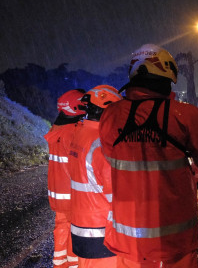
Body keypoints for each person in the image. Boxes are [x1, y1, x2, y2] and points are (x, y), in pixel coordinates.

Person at [99, 43, 198, 268]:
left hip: (130, 243)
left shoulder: (110, 116)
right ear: (166, 78)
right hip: (176, 243)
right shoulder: (186, 115)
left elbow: (111, 157)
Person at [68, 85, 122, 267]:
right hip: (102, 234)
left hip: (82, 230)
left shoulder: (80, 135)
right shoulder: (102, 143)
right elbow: (117, 194)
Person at [45, 89, 87, 268]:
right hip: (71, 193)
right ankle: (74, 265)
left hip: (57, 194)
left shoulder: (56, 128)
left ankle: (60, 264)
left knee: (61, 227)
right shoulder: (74, 131)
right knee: (75, 230)